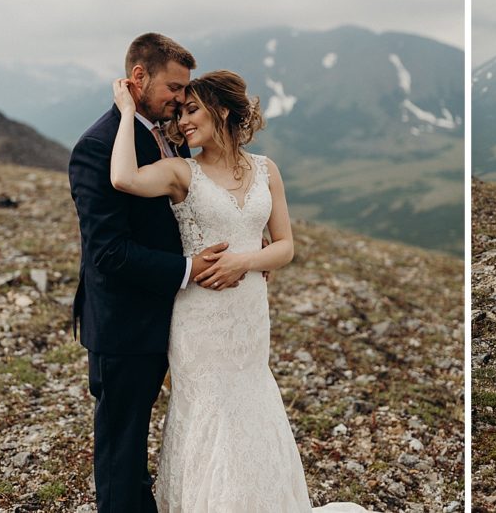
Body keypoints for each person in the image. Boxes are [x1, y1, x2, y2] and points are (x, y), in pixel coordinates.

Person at [109, 69, 373, 512]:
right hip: (200, 320)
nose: (183, 122)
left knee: (252, 405)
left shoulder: (267, 170)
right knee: (213, 411)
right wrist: (127, 111)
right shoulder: (181, 172)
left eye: (192, 110)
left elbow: (285, 246)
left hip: (249, 315)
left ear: (223, 110)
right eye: (180, 113)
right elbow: (123, 179)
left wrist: (244, 262)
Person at [69, 33, 231, 513]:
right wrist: (188, 268)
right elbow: (108, 252)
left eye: (185, 92)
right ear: (138, 77)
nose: (182, 99)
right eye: (175, 88)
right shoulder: (98, 147)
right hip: (124, 325)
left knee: (138, 445)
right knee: (121, 448)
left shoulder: (165, 134)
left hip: (170, 317)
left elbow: (188, 208)